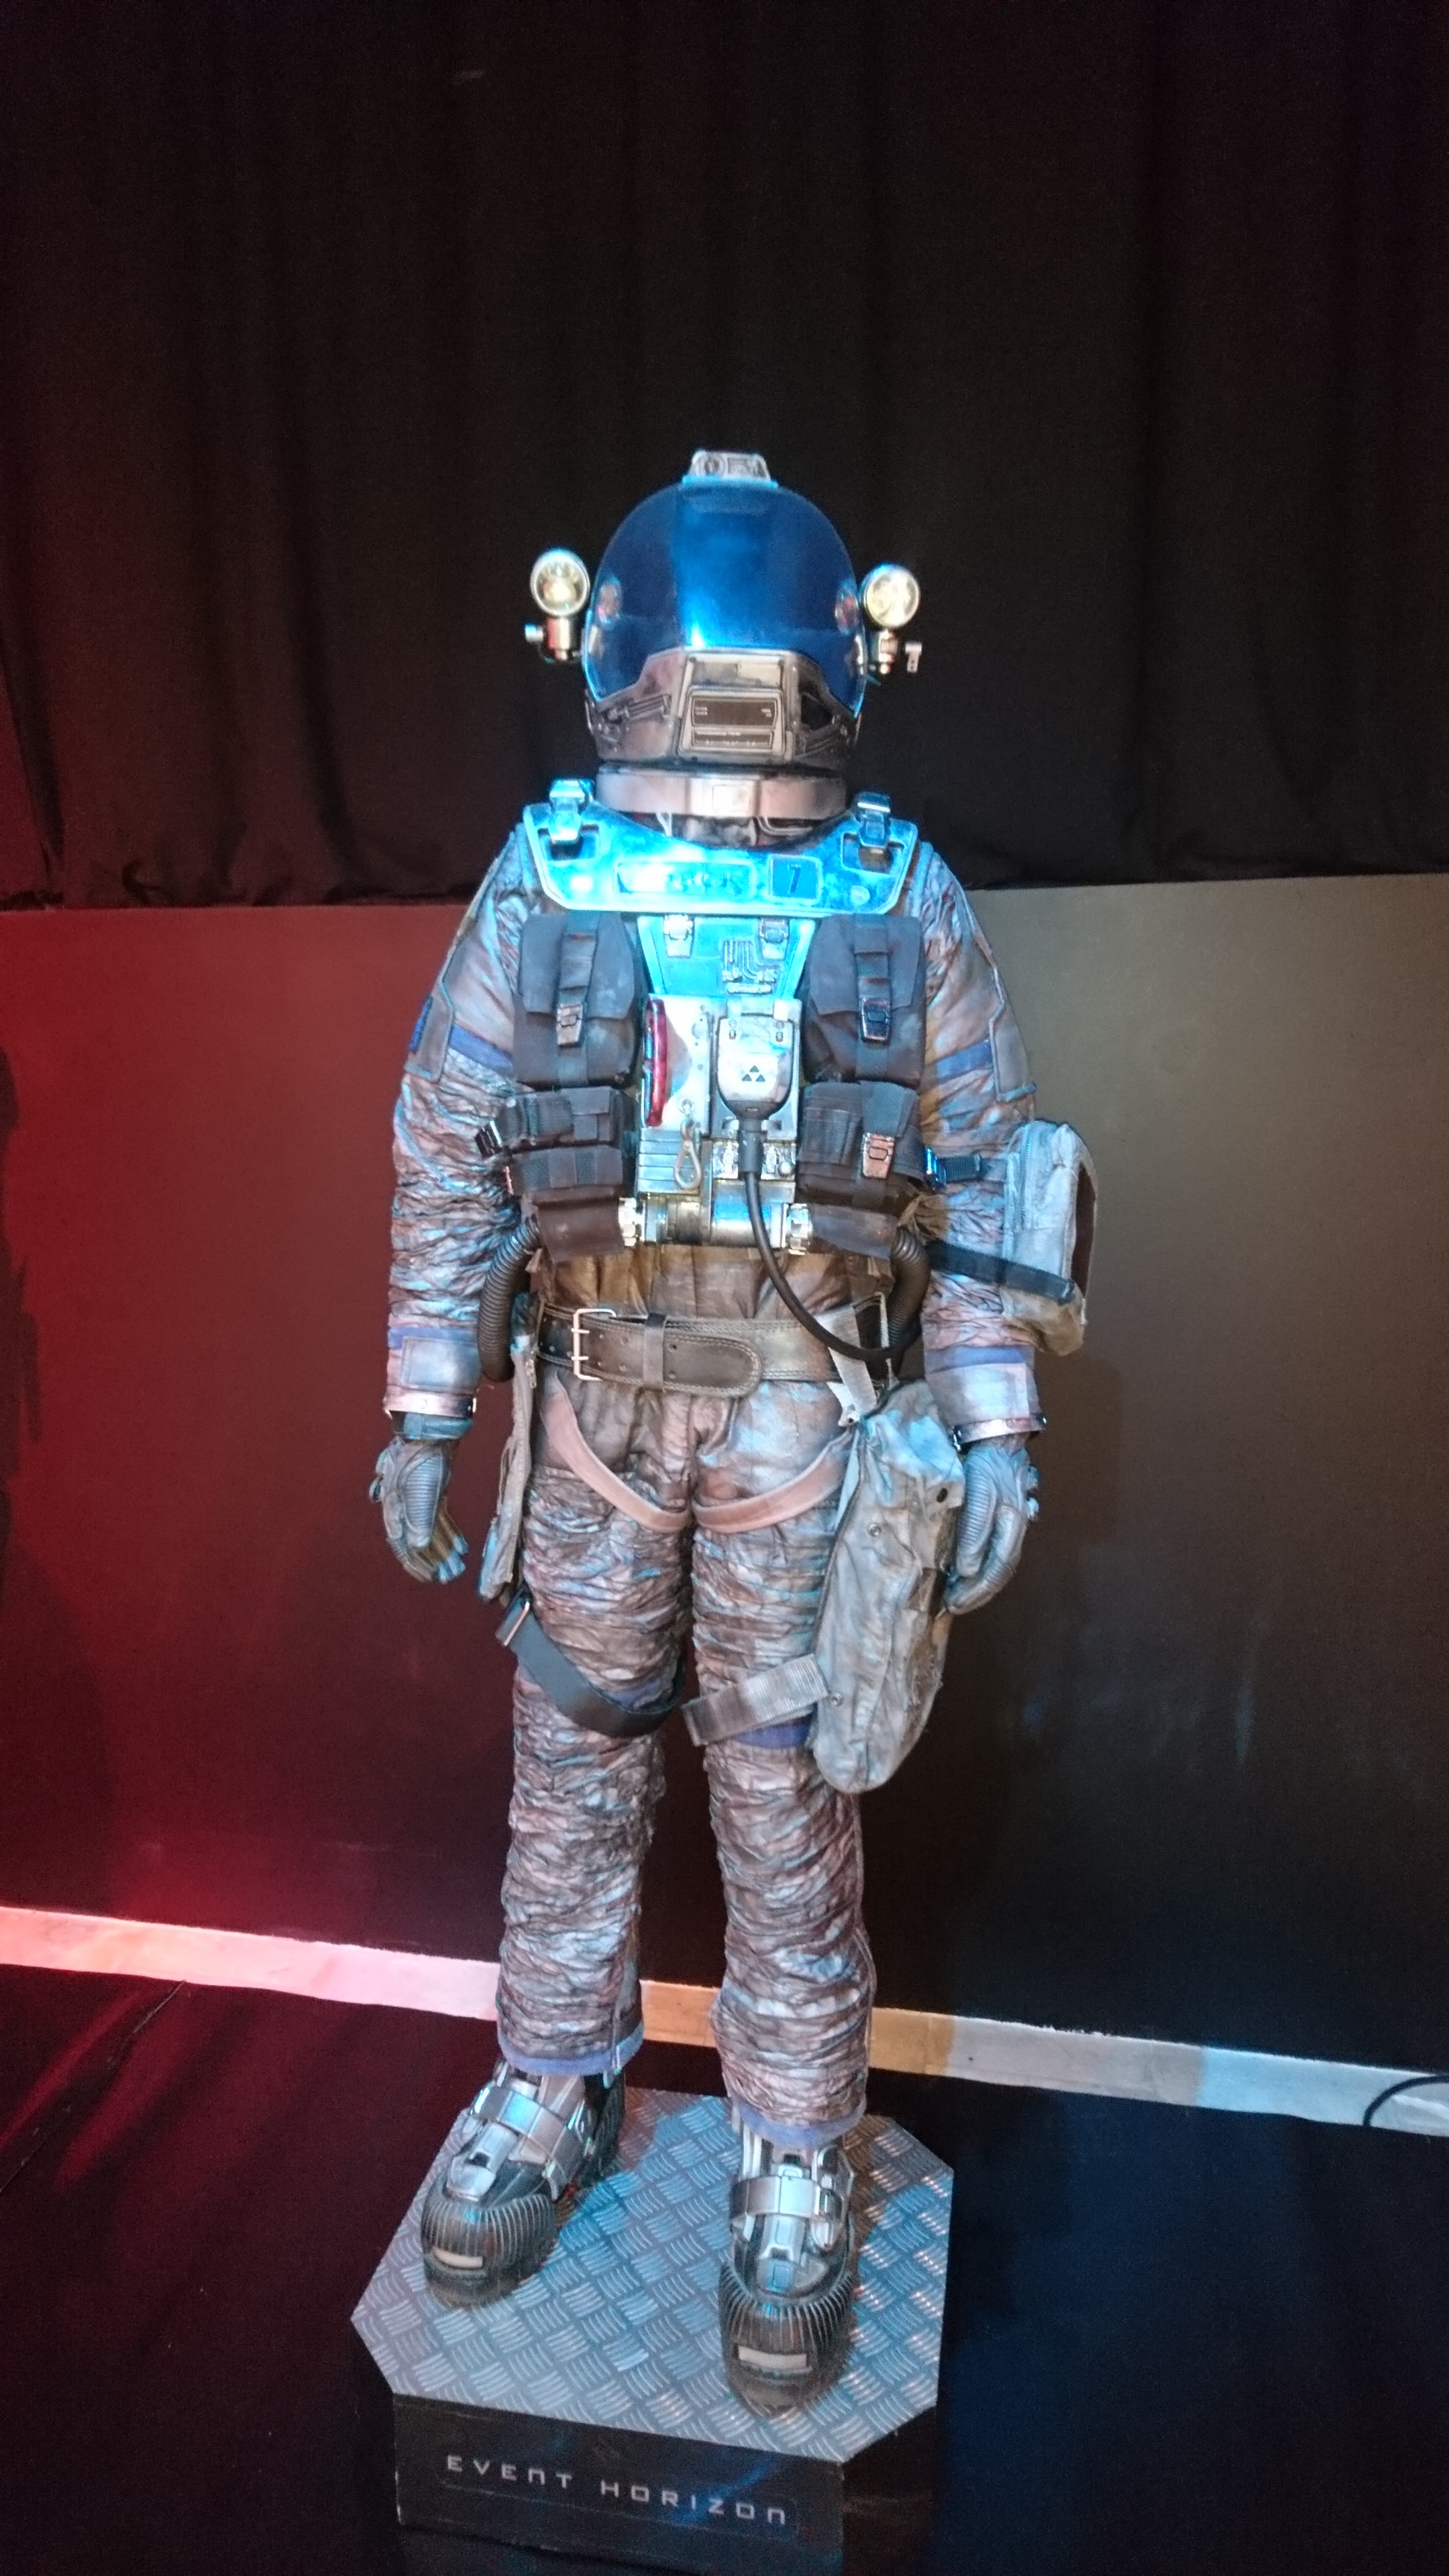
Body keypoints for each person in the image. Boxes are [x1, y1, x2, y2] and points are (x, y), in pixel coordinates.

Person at [374, 451, 1090, 2412]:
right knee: (575, 1767)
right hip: (602, 1408)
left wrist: (994, 1418)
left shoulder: (894, 895)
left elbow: (984, 1171)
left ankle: (794, 2140)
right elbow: (451, 1144)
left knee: (783, 1794)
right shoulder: (555, 876)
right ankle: (551, 2081)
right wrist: (428, 1401)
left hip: (803, 1416)